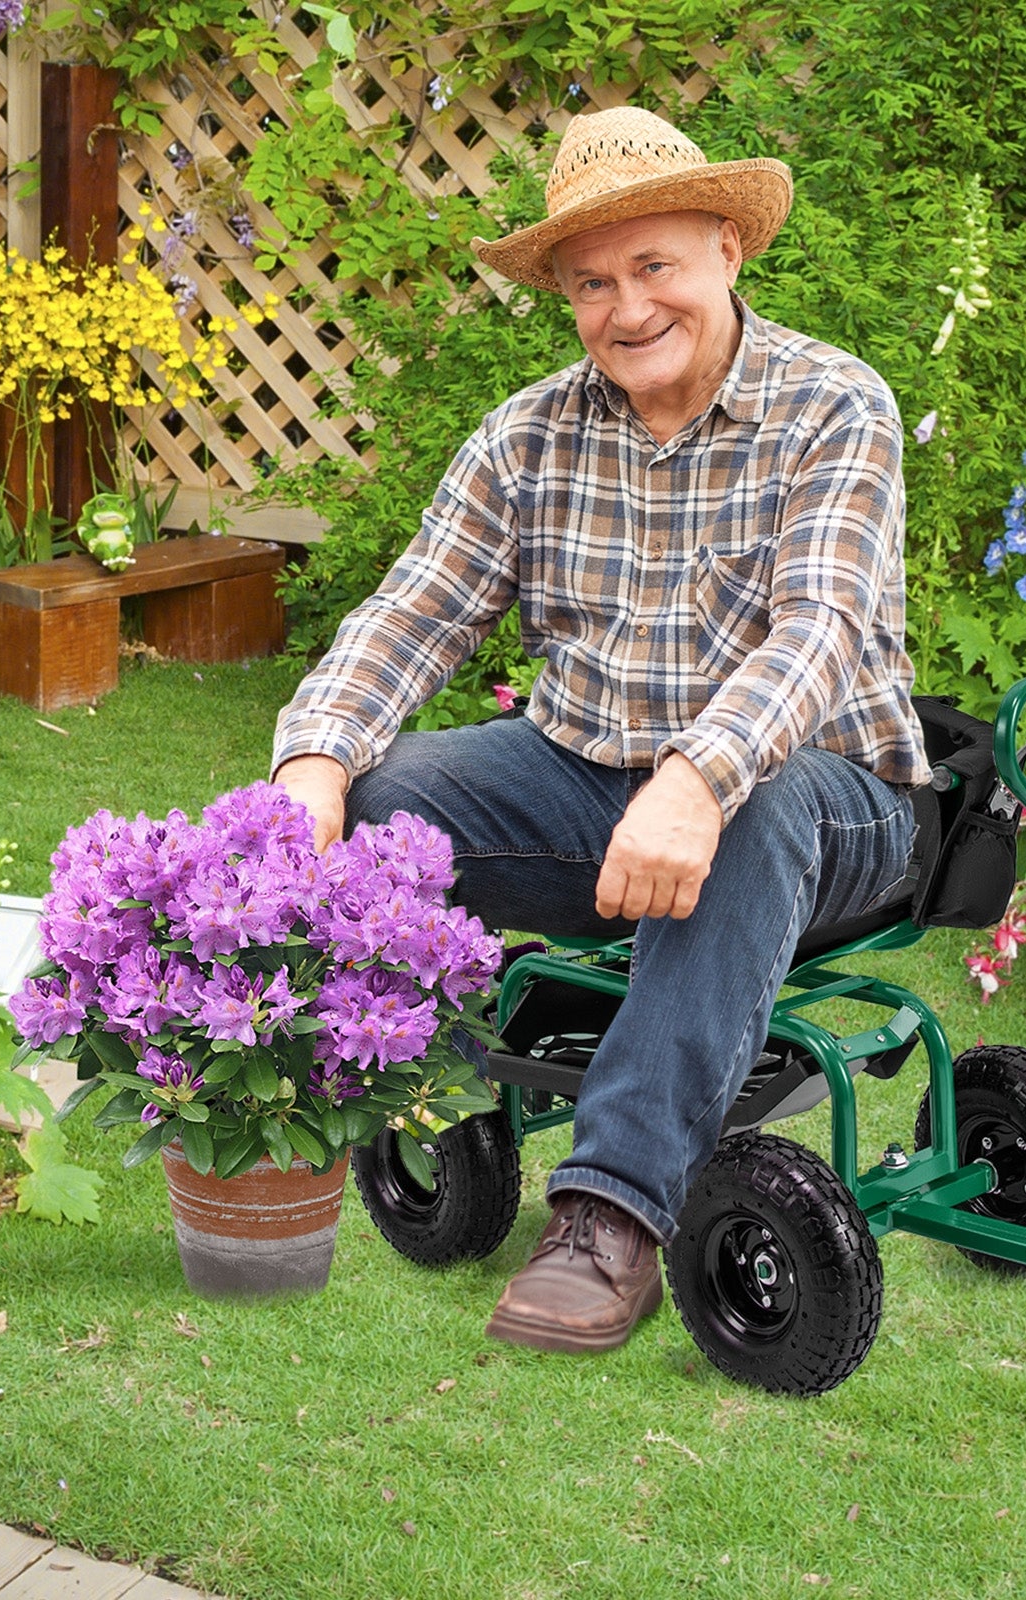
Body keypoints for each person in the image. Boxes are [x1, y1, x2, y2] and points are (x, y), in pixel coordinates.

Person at [271, 105, 931, 1355]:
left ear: (727, 248)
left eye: (653, 265)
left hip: (827, 797)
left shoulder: (835, 405)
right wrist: (311, 762)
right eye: (591, 283)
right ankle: (421, 1066)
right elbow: (413, 614)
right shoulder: (528, 434)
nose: (627, 309)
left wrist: (697, 777)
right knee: (375, 797)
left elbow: (821, 631)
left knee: (751, 799)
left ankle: (609, 1212)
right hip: (589, 786)